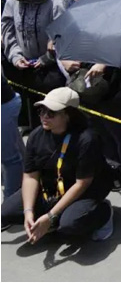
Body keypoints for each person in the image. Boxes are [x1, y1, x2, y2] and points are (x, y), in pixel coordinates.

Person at [0, 88, 113, 244]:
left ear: (68, 115)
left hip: (84, 191)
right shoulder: (36, 136)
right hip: (51, 190)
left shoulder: (86, 139)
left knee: (69, 226)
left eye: (51, 113)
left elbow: (82, 183)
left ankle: (103, 212)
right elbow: (30, 175)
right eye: (42, 111)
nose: (44, 117)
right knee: (6, 212)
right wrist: (28, 212)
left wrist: (51, 216)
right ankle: (53, 216)